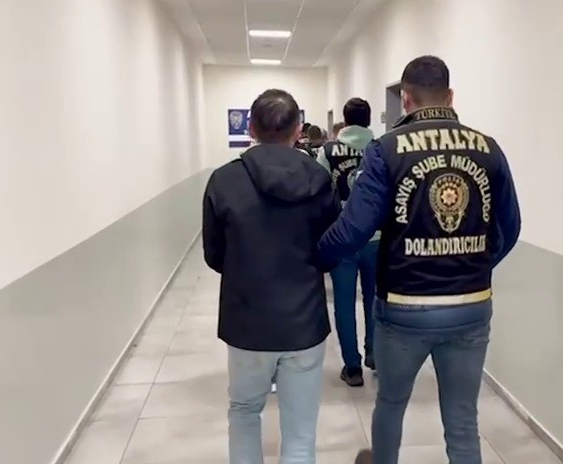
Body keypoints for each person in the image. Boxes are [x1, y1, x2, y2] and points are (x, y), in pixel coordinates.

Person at [318, 56, 522, 464]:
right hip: (470, 306)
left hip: (405, 308)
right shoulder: (489, 148)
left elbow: (354, 230)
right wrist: (472, 266)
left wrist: (314, 257)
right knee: (463, 420)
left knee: (391, 403)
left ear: (406, 99)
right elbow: (510, 228)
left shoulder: (386, 150)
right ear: (450, 96)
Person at [203, 89, 341, 464]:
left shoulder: (223, 181)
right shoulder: (319, 179)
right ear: (298, 130)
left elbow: (214, 255)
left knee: (244, 412)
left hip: (246, 322)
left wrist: (247, 270)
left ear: (250, 128)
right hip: (304, 323)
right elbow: (330, 247)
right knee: (300, 433)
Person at [316, 98, 379, 387]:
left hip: (342, 237)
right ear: (368, 120)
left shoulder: (328, 151)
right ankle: (374, 354)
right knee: (374, 299)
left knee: (343, 302)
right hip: (376, 238)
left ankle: (352, 367)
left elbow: (319, 192)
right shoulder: (381, 148)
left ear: (345, 119)